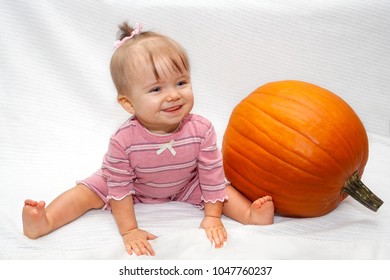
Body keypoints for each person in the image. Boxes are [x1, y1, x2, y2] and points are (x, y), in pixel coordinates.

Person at [22, 22, 274, 256]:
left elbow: (211, 173)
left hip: (184, 183)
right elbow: (119, 188)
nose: (173, 95)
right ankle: (46, 221)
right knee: (85, 192)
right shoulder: (124, 140)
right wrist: (130, 230)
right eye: (156, 89)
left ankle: (250, 215)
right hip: (134, 185)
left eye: (181, 82)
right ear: (128, 103)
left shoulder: (201, 129)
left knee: (220, 189)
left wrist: (212, 217)